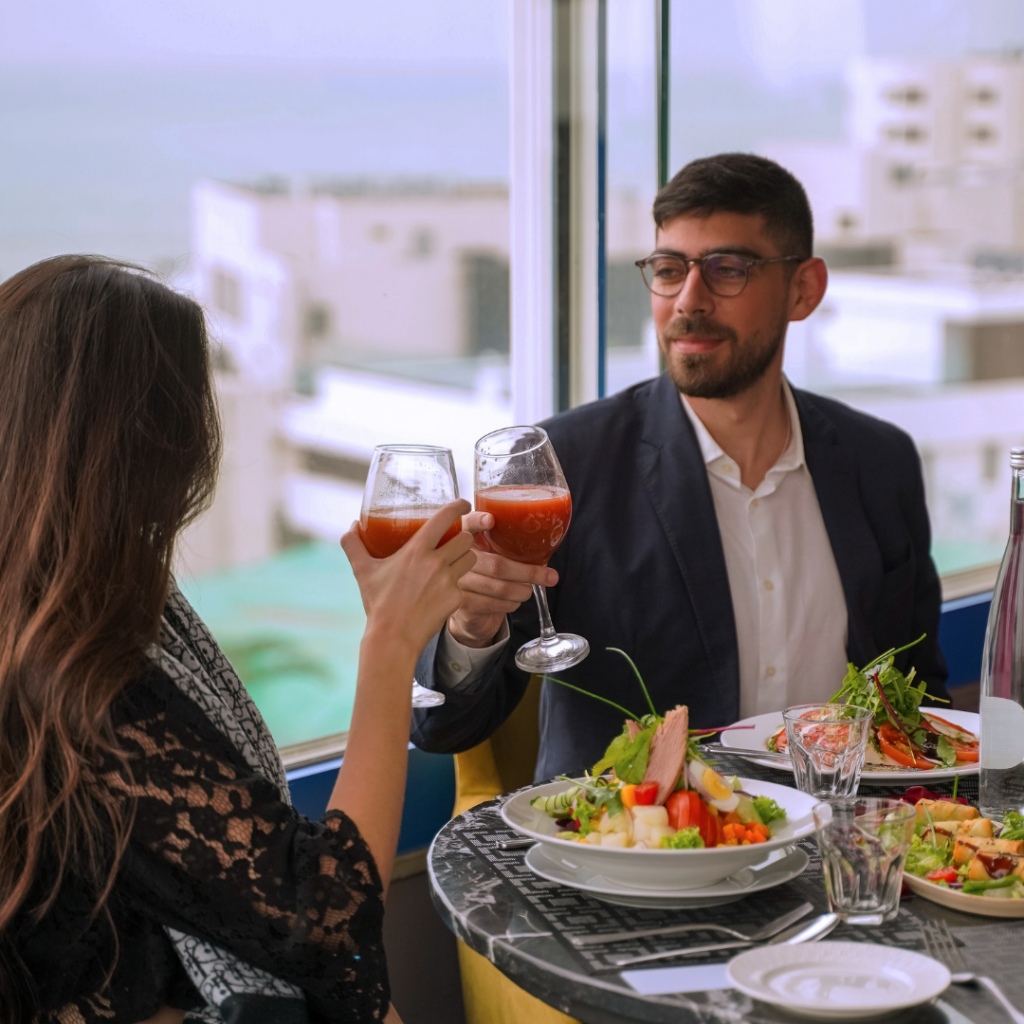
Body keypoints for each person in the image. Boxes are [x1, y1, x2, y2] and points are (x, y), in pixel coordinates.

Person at [0, 255, 475, 1024]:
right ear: (153, 441)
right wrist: (389, 642)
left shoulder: (60, 608)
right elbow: (325, 911)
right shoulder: (80, 665)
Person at [411, 152, 950, 781]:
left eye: (728, 269)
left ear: (803, 289)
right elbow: (442, 726)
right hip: (635, 860)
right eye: (669, 270)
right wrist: (471, 627)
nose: (688, 301)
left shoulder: (879, 461)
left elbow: (920, 696)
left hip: (838, 855)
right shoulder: (565, 468)